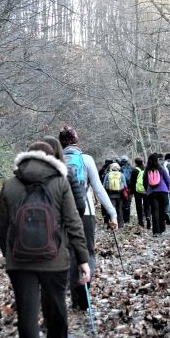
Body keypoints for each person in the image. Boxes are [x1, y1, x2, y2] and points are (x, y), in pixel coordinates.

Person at [0, 141, 90, 338]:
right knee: (55, 304)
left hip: (20, 262)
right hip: (55, 259)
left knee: (26, 310)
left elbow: (0, 227)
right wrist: (83, 258)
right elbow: (73, 222)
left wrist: (10, 255)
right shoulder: (61, 182)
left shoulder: (10, 185)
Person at [59, 126, 117, 312]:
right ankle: (84, 290)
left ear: (60, 142)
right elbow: (98, 188)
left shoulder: (55, 160)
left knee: (70, 255)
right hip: (86, 213)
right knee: (88, 253)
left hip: (63, 215)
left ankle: (75, 300)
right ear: (76, 141)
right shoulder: (86, 159)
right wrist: (112, 213)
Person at [143, 153, 170, 236]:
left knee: (155, 211)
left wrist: (147, 190)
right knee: (162, 210)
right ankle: (163, 228)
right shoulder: (161, 168)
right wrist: (167, 188)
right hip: (163, 191)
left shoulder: (147, 170)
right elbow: (168, 180)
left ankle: (156, 232)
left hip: (152, 193)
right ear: (157, 160)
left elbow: (144, 182)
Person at [130, 156, 150, 230]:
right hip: (146, 190)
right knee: (146, 205)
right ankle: (148, 217)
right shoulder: (147, 169)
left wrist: (131, 192)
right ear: (143, 162)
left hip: (137, 191)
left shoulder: (135, 170)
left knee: (139, 206)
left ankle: (141, 222)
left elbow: (132, 182)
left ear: (135, 163)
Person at [118, 157, 133, 224]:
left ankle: (121, 219)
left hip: (121, 189)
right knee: (127, 203)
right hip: (129, 189)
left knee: (121, 203)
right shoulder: (131, 168)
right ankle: (127, 220)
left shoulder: (120, 169)